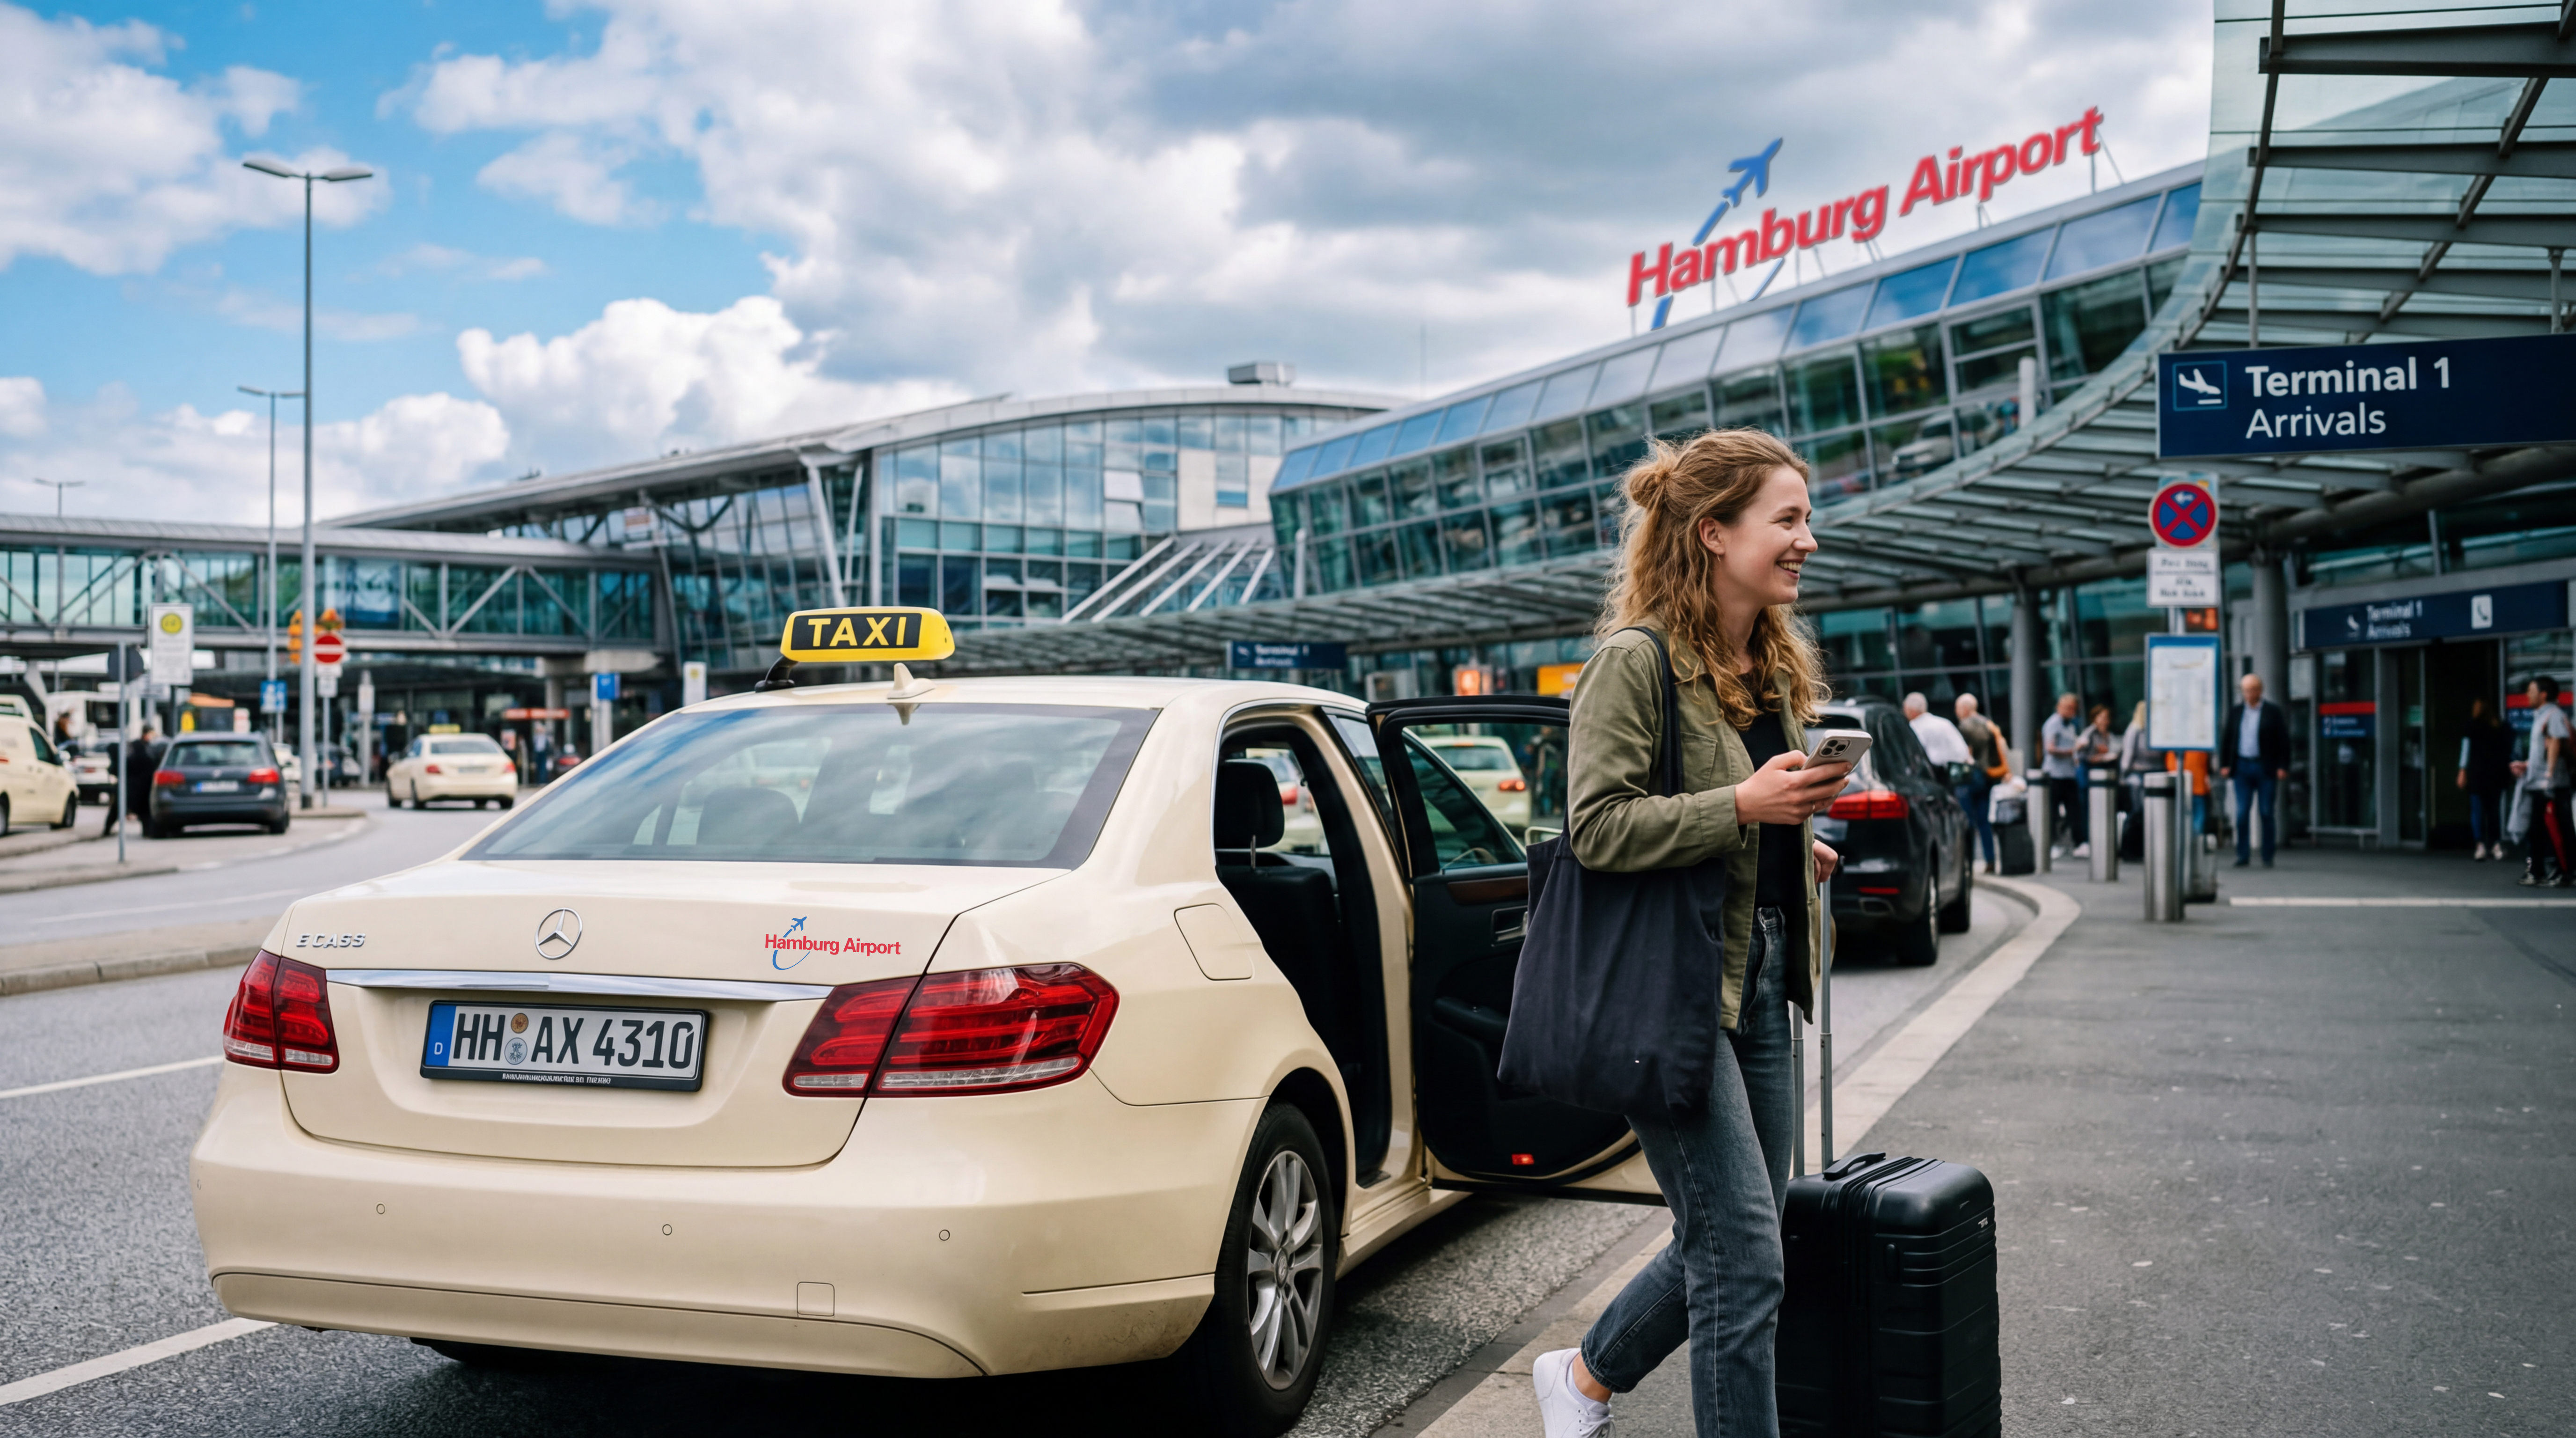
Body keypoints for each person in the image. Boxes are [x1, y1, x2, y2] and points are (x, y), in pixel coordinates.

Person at [1533, 429, 1849, 1438]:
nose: (1808, 538)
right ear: (1714, 533)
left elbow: (1741, 812)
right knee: (1745, 1257)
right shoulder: (1634, 664)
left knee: (1738, 1235)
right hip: (1670, 988)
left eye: (1806, 518)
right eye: (1787, 519)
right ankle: (1583, 1382)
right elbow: (1596, 828)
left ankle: (1582, 1380)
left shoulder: (1769, 662)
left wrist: (1789, 844)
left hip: (1755, 973)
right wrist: (1743, 811)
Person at [2218, 672, 2291, 868]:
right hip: (2242, 767)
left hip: (2265, 767)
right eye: (2245, 690)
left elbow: (2283, 740)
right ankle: (2243, 855)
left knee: (2266, 812)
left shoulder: (2272, 712)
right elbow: (2227, 739)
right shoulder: (2236, 712)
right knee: (2242, 813)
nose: (2248, 694)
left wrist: (2283, 766)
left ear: (2260, 691)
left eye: (2251, 690)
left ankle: (2268, 856)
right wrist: (2225, 764)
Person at [2511, 675, 2573, 887]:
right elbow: (2543, 750)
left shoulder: (2553, 715)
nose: (2527, 695)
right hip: (2539, 784)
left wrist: (2550, 774)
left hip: (2551, 786)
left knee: (2556, 830)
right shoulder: (2540, 716)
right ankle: (2538, 870)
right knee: (2538, 830)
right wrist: (2527, 765)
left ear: (2544, 694)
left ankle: (2563, 872)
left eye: (2531, 690)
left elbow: (2556, 741)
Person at [1954, 693, 2007, 873]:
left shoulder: (1965, 726)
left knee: (1967, 821)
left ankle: (1966, 862)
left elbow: (1965, 754)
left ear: (1966, 709)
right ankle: (1990, 860)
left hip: (1971, 777)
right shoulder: (1988, 724)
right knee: (1984, 822)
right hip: (1988, 776)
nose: (1957, 712)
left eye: (1958, 708)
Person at [2458, 697, 2514, 860]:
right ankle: (2495, 844)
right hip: (2496, 774)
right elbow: (2509, 749)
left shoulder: (2472, 726)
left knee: (2478, 811)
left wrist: (2462, 770)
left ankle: (2480, 845)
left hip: (2477, 774)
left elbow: (2465, 750)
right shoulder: (2501, 727)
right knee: (2494, 811)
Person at [2040, 692, 2087, 857]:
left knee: (2075, 810)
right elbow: (2050, 749)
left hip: (2069, 774)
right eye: (2068, 708)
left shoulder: (2071, 725)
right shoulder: (2053, 724)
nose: (2071, 711)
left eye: (2073, 708)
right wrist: (2073, 751)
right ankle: (2051, 844)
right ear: (2059, 707)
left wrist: (2075, 756)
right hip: (2055, 775)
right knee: (2052, 812)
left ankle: (2079, 843)